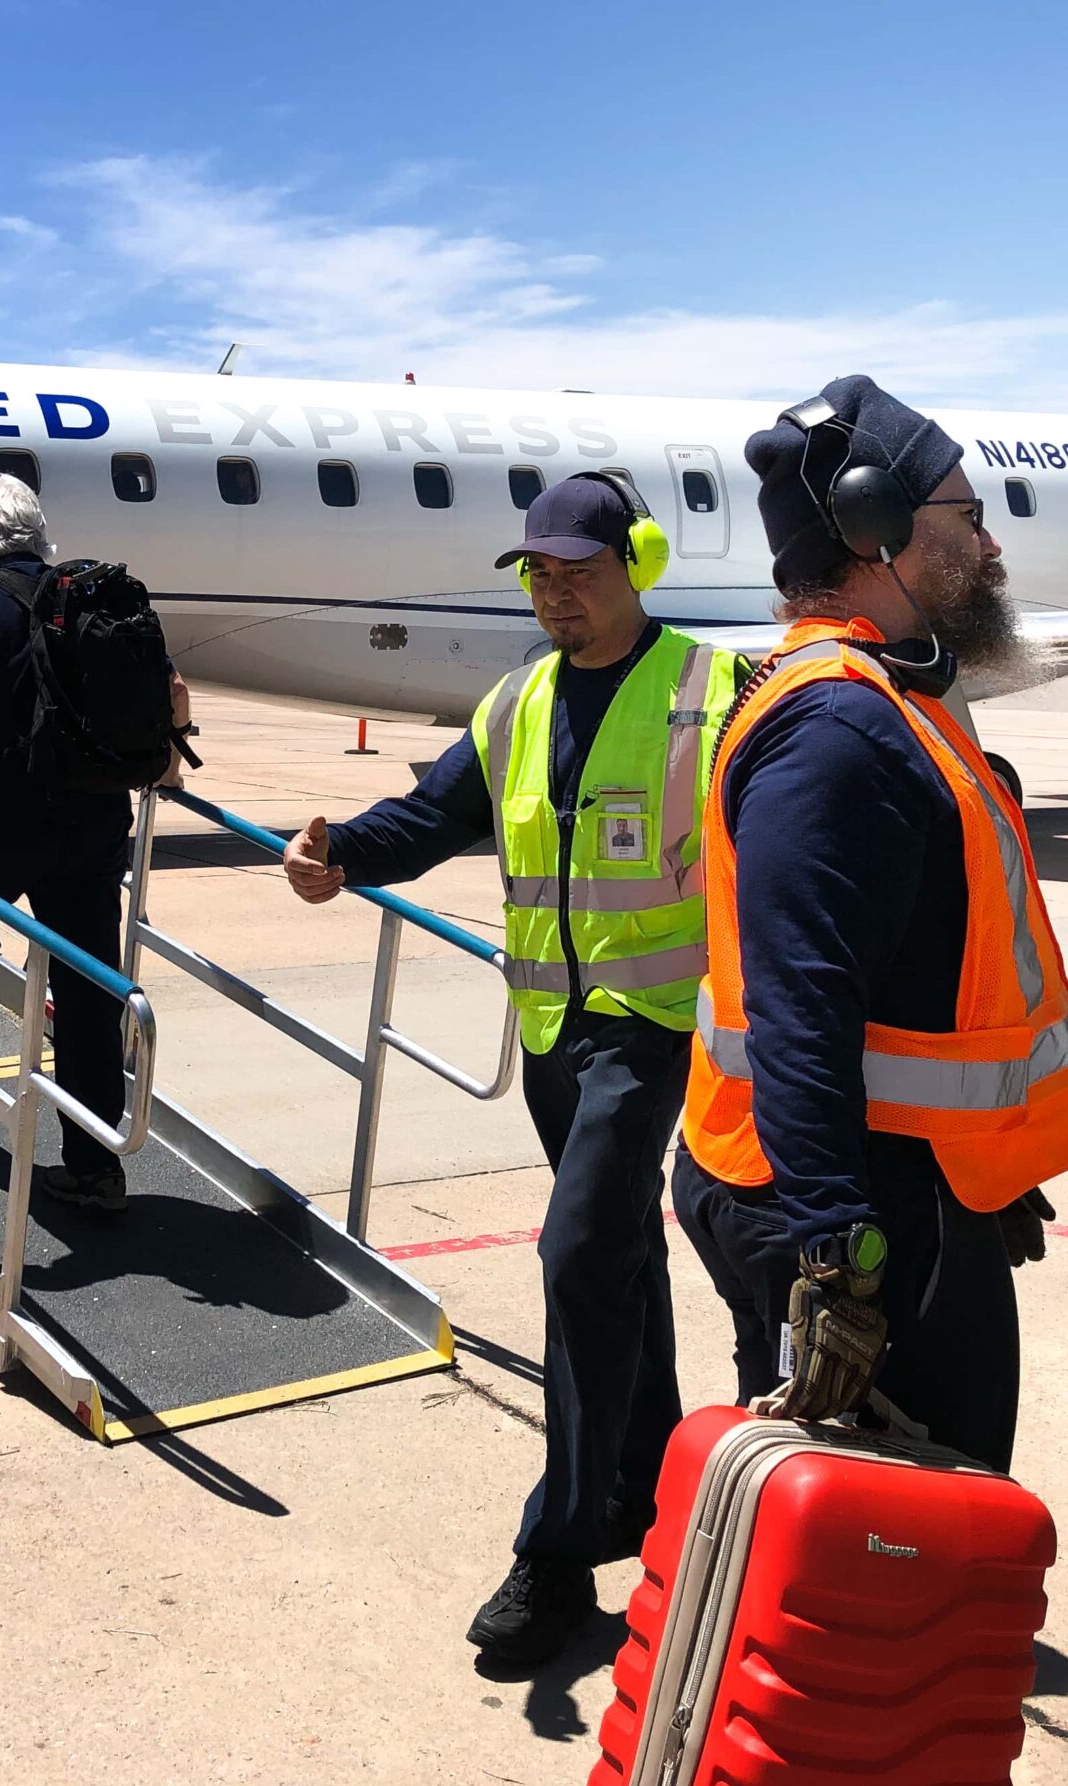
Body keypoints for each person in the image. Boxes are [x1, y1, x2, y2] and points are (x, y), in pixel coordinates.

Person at [281, 473, 746, 1666]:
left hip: (653, 1024)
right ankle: (645, 1484)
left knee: (577, 1252)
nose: (554, 593)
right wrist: (342, 851)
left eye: (577, 571)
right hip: (551, 1033)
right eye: (537, 573)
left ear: (637, 562)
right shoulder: (517, 701)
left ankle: (560, 1548)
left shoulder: (711, 690)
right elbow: (434, 814)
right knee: (617, 1258)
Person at [670, 375, 1068, 1465]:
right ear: (876, 527)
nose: (991, 546)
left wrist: (985, 1165)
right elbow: (801, 1005)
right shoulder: (838, 726)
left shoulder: (881, 696)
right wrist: (836, 1256)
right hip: (851, 1205)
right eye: (967, 516)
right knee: (910, 1519)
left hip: (900, 1178)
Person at [0, 474, 183, 1214]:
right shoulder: (90, 598)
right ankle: (94, 1166)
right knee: (86, 987)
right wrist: (168, 771)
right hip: (92, 829)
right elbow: (173, 692)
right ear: (40, 536)